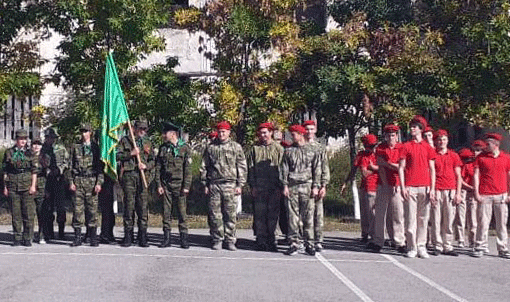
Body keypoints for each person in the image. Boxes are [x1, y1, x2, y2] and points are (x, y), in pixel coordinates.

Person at [201, 121, 247, 251]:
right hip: (215, 184)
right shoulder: (211, 147)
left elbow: (242, 166)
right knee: (215, 214)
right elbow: (204, 166)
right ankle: (217, 239)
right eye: (220, 132)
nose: (221, 134)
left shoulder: (236, 147)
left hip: (230, 184)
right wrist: (205, 183)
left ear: (229, 133)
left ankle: (230, 239)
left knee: (230, 214)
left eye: (224, 132)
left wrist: (240, 184)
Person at [398, 115, 436, 258]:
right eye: (411, 127)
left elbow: (432, 169)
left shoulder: (428, 147)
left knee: (423, 218)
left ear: (421, 129)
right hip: (410, 187)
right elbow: (401, 168)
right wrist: (403, 186)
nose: (412, 129)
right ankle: (411, 247)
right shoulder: (406, 146)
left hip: (425, 187)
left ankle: (421, 246)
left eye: (415, 127)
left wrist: (432, 188)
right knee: (410, 219)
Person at [280, 124, 319, 256]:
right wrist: (284, 185)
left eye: (294, 134)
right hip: (292, 186)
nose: (292, 137)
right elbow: (284, 169)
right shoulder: (288, 151)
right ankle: (294, 243)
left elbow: (316, 169)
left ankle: (310, 243)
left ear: (301, 134)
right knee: (292, 217)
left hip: (307, 186)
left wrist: (316, 186)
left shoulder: (312, 150)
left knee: (308, 217)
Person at [367, 124, 406, 253]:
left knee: (397, 214)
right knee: (380, 214)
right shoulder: (381, 148)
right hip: (384, 184)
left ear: (397, 136)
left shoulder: (401, 148)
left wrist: (387, 164)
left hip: (397, 184)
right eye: (388, 135)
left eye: (393, 135)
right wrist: (385, 183)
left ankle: (399, 241)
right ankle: (378, 241)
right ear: (385, 136)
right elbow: (380, 167)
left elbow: (401, 167)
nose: (390, 137)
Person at [246, 122, 284, 252]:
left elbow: (283, 169)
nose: (263, 135)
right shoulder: (254, 149)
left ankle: (273, 240)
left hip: (274, 188)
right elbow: (250, 168)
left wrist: (281, 186)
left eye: (265, 132)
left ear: (271, 133)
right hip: (259, 187)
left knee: (273, 215)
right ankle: (261, 240)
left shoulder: (279, 149)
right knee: (260, 215)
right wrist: (252, 186)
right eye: (261, 133)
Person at [117, 120, 155, 247]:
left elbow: (153, 161)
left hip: (142, 176)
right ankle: (128, 236)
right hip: (129, 176)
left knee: (143, 208)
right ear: (134, 129)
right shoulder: (125, 140)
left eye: (145, 129)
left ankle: (142, 236)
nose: (142, 131)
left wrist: (145, 166)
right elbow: (117, 155)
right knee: (129, 206)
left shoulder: (148, 142)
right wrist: (131, 154)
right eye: (140, 129)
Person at [472, 133, 510, 258]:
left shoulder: (506, 158)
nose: (485, 146)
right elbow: (476, 175)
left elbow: (509, 176)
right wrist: (476, 192)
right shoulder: (481, 158)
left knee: (501, 224)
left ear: (496, 145)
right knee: (483, 222)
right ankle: (480, 246)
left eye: (488, 144)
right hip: (485, 194)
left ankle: (503, 248)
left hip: (501, 195)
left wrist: (509, 194)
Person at [155, 122, 192, 249]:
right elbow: (158, 168)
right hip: (166, 185)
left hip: (180, 185)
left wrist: (186, 186)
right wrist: (159, 184)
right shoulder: (163, 148)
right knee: (166, 213)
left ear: (173, 134)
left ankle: (184, 239)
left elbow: (188, 169)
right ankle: (167, 238)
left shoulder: (184, 148)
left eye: (165, 133)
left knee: (182, 213)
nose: (163, 135)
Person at [68, 123, 103, 247]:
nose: (84, 134)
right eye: (82, 131)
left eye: (86, 131)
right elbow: (70, 166)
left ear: (90, 133)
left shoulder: (96, 148)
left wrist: (99, 183)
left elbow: (100, 167)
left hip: (91, 181)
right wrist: (71, 182)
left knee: (92, 211)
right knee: (78, 211)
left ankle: (93, 237)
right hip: (78, 180)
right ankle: (77, 237)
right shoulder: (75, 147)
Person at [429, 129, 462, 256]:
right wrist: (431, 190)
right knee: (436, 220)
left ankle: (447, 245)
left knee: (449, 220)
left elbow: (458, 176)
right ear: (436, 141)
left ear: (447, 141)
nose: (441, 142)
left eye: (444, 139)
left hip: (450, 191)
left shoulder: (454, 155)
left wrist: (458, 193)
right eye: (439, 139)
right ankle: (437, 245)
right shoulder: (432, 155)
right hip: (437, 189)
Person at [3, 129, 39, 246]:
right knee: (16, 213)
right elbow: (5, 171)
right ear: (16, 140)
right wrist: (5, 187)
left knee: (28, 214)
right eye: (20, 139)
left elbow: (34, 171)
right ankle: (17, 237)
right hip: (13, 184)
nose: (23, 141)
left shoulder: (30, 153)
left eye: (24, 139)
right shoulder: (9, 152)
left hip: (26, 184)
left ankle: (27, 237)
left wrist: (33, 186)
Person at [303, 120, 330, 252]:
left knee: (318, 214)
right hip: (303, 186)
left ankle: (318, 240)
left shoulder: (320, 148)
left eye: (311, 129)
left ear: (315, 130)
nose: (309, 132)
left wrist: (323, 185)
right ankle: (306, 239)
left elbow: (324, 167)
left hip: (317, 184)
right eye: (307, 129)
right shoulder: (299, 146)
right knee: (304, 215)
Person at [42, 127, 69, 240]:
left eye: (52, 137)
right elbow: (40, 163)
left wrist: (60, 169)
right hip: (47, 181)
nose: (50, 139)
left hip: (59, 180)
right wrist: (47, 171)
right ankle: (49, 232)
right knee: (48, 207)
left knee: (61, 207)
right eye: (48, 137)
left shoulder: (61, 149)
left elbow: (67, 162)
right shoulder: (43, 149)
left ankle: (61, 231)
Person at [356, 134, 379, 243]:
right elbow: (364, 173)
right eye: (369, 146)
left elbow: (385, 167)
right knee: (364, 212)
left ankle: (374, 235)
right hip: (365, 186)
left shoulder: (378, 155)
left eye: (373, 146)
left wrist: (375, 168)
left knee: (372, 212)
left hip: (375, 186)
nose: (372, 148)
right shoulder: (363, 155)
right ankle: (365, 233)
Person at [32, 138, 51, 244]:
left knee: (42, 213)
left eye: (38, 144)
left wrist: (47, 190)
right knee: (29, 213)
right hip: (30, 187)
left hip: (42, 187)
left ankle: (42, 235)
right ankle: (29, 235)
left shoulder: (45, 157)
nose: (36, 146)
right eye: (34, 144)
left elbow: (49, 175)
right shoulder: (27, 156)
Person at [457, 147, 476, 248]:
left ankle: (472, 240)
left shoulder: (475, 166)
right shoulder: (465, 166)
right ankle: (460, 239)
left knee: (473, 218)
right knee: (461, 216)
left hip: (473, 193)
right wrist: (470, 187)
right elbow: (461, 180)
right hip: (464, 191)